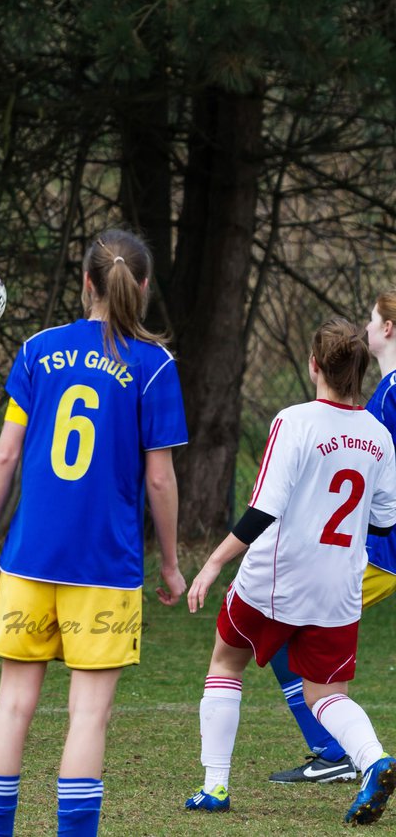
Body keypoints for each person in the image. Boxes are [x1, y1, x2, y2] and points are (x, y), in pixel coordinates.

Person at [0, 229, 188, 837]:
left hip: (29, 559)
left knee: (13, 708)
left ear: (86, 283)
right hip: (106, 568)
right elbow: (161, 481)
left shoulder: (39, 350)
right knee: (87, 717)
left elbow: (6, 456)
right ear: (142, 289)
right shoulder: (154, 365)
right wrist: (170, 564)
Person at [185, 317, 396, 825]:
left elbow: (263, 511)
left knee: (226, 662)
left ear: (314, 365)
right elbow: (386, 525)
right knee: (327, 693)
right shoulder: (378, 434)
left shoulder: (294, 421)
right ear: (361, 369)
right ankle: (375, 761)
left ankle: (215, 786)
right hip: (338, 587)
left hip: (276, 580)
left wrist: (213, 562)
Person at [264, 290, 396, 785]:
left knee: (285, 628)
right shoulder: (384, 393)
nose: (366, 324)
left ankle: (335, 752)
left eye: (372, 317)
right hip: (372, 549)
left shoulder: (389, 397)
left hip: (377, 553)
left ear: (386, 330)